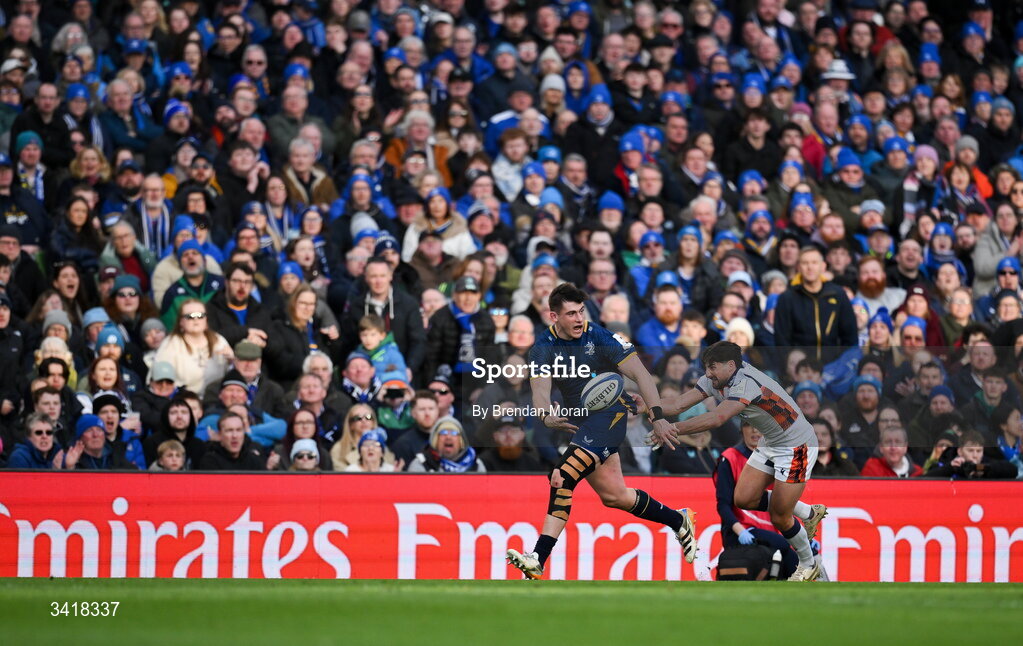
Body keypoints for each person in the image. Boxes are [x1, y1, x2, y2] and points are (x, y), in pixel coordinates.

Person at [506, 283, 697, 580]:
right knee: (615, 496)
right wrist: (545, 416)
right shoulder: (543, 348)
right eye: (571, 313)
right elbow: (540, 393)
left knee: (562, 475)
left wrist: (657, 417)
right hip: (583, 424)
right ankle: (678, 520)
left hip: (611, 416)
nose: (579, 318)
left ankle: (536, 558)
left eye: (582, 311)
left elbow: (642, 374)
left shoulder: (602, 336)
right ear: (553, 317)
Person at [654, 340, 828, 581]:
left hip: (796, 445)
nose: (707, 373)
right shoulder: (718, 379)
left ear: (731, 365)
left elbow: (717, 418)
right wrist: (648, 406)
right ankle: (808, 513)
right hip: (770, 441)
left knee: (780, 516)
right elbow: (676, 404)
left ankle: (809, 564)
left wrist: (672, 429)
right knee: (744, 498)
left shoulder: (746, 384)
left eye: (712, 367)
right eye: (706, 367)